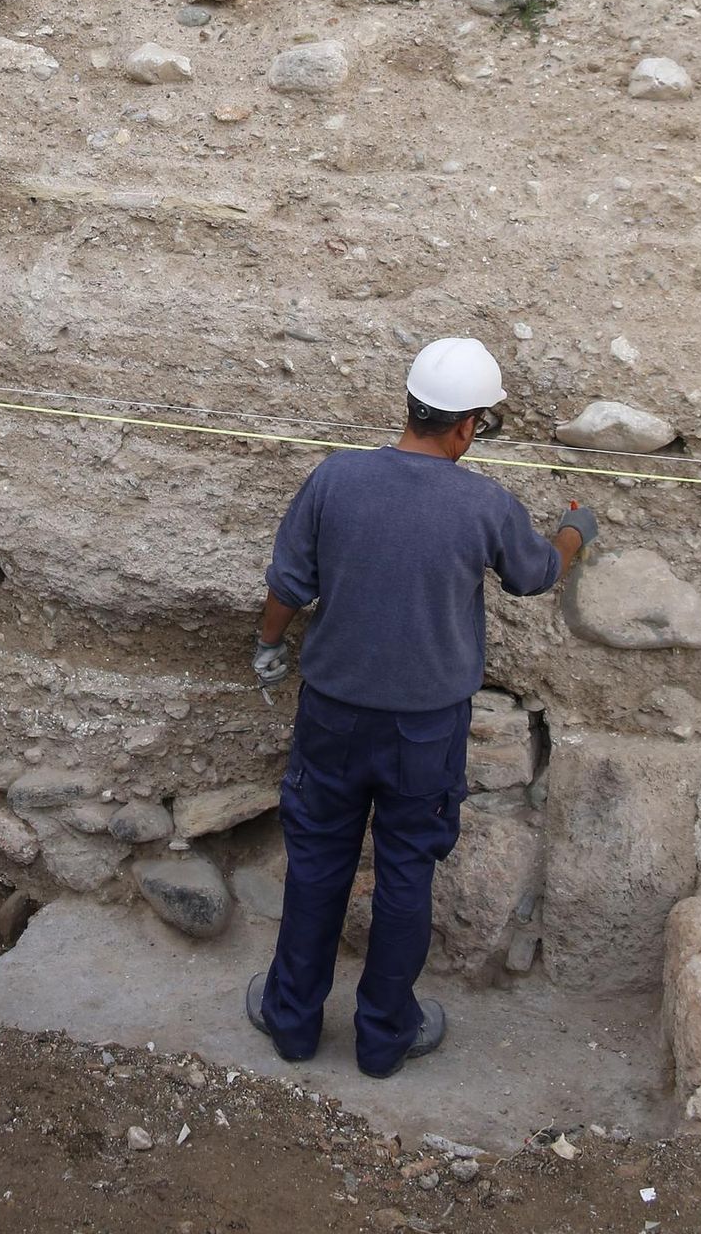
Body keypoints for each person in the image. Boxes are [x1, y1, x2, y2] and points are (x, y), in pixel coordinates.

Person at [244, 337, 594, 1079]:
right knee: (406, 873)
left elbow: (288, 583)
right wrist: (574, 532)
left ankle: (293, 1021)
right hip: (425, 732)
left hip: (332, 715)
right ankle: (384, 1038)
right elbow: (535, 576)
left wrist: (269, 646)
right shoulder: (485, 504)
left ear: (410, 404)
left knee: (316, 864)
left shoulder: (336, 478)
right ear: (467, 427)